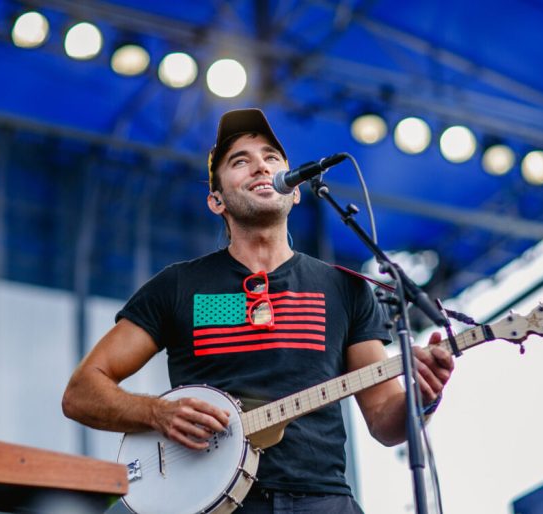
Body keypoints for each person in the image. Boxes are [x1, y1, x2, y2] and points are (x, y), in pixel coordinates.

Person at [62, 108, 455, 513]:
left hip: (324, 501)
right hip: (217, 503)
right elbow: (81, 393)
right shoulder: (177, 286)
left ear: (296, 190)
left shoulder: (347, 288)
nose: (260, 167)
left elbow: (384, 422)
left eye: (271, 158)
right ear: (216, 201)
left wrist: (423, 398)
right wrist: (157, 413)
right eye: (240, 161)